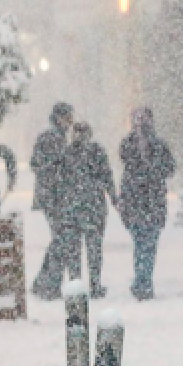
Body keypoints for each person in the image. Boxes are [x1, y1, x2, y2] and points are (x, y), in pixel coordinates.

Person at [118, 108, 175, 301]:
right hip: (139, 202)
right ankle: (143, 281)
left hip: (149, 202)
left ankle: (143, 281)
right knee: (143, 244)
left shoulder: (157, 145)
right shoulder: (129, 145)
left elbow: (168, 168)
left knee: (146, 244)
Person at [29, 102, 77, 300]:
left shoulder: (56, 137)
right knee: (62, 241)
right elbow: (39, 164)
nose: (71, 122)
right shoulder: (53, 138)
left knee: (59, 241)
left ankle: (45, 282)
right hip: (54, 198)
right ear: (59, 118)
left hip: (53, 197)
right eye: (68, 118)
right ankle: (48, 284)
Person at [65, 123, 115, 298]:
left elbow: (59, 181)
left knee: (75, 251)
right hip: (93, 208)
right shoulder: (96, 152)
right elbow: (107, 176)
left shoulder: (67, 153)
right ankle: (94, 285)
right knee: (93, 249)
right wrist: (114, 197)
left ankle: (76, 285)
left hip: (73, 208)